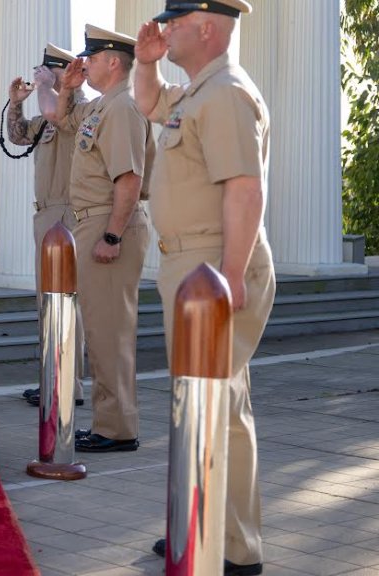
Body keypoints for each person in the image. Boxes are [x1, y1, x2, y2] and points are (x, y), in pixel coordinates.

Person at [134, 1, 273, 573]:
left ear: (207, 27)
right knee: (205, 405)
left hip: (214, 263)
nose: (164, 29)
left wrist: (232, 275)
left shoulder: (225, 94)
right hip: (194, 265)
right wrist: (146, 63)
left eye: (175, 22)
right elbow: (149, 103)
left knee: (218, 407)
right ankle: (204, 525)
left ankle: (235, 549)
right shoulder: (196, 92)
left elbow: (244, 189)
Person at [54, 25, 155, 452]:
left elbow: (129, 179)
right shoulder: (101, 106)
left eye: (91, 59)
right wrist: (67, 88)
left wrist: (112, 235)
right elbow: (61, 120)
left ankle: (117, 428)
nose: (85, 64)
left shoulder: (122, 109)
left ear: (113, 62)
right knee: (99, 329)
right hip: (92, 223)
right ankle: (107, 421)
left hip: (109, 225)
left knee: (110, 331)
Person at [7, 44, 86, 409]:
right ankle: (55, 380)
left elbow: (59, 114)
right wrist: (15, 102)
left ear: (63, 72)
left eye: (45, 70)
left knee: (65, 303)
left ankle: (68, 384)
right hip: (47, 215)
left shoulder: (77, 110)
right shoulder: (47, 111)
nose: (38, 75)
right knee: (48, 303)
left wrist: (46, 88)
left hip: (68, 214)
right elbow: (20, 136)